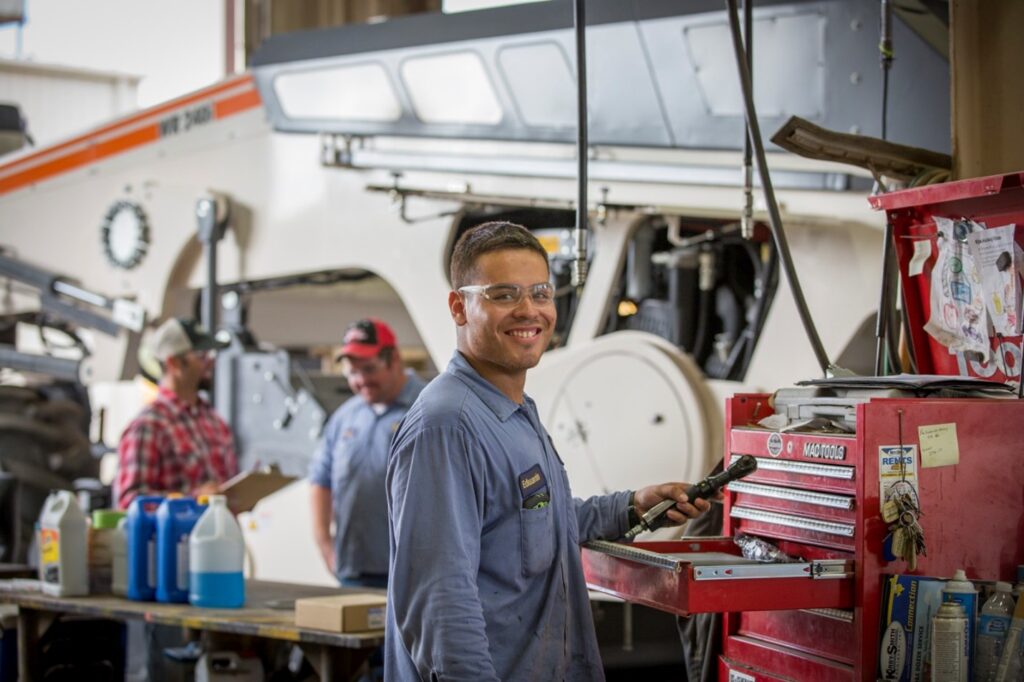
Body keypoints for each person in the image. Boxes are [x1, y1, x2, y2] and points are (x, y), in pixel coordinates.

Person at [384, 221, 714, 680]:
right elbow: (441, 606)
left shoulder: (516, 411)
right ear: (459, 307)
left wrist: (631, 508)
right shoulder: (447, 427)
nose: (529, 310)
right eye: (503, 295)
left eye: (540, 293)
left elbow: (531, 521)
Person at [309, 318, 427, 588]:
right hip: (352, 571)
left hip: (411, 576)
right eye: (352, 372)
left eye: (370, 369)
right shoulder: (345, 417)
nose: (361, 380)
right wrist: (325, 546)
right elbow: (320, 480)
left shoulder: (426, 409)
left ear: (394, 360)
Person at [114, 317, 238, 509]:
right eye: (202, 356)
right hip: (180, 529)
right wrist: (194, 498)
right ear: (174, 363)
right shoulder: (148, 426)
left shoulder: (214, 421)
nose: (211, 363)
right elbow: (129, 503)